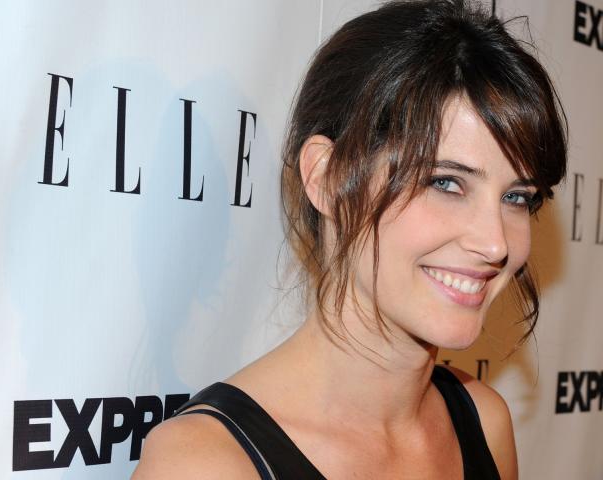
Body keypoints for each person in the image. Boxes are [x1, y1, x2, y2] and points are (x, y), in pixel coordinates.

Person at [132, 0, 567, 478]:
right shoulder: (206, 464)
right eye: (445, 182)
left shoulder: (484, 421)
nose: (496, 243)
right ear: (327, 177)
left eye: (517, 197)